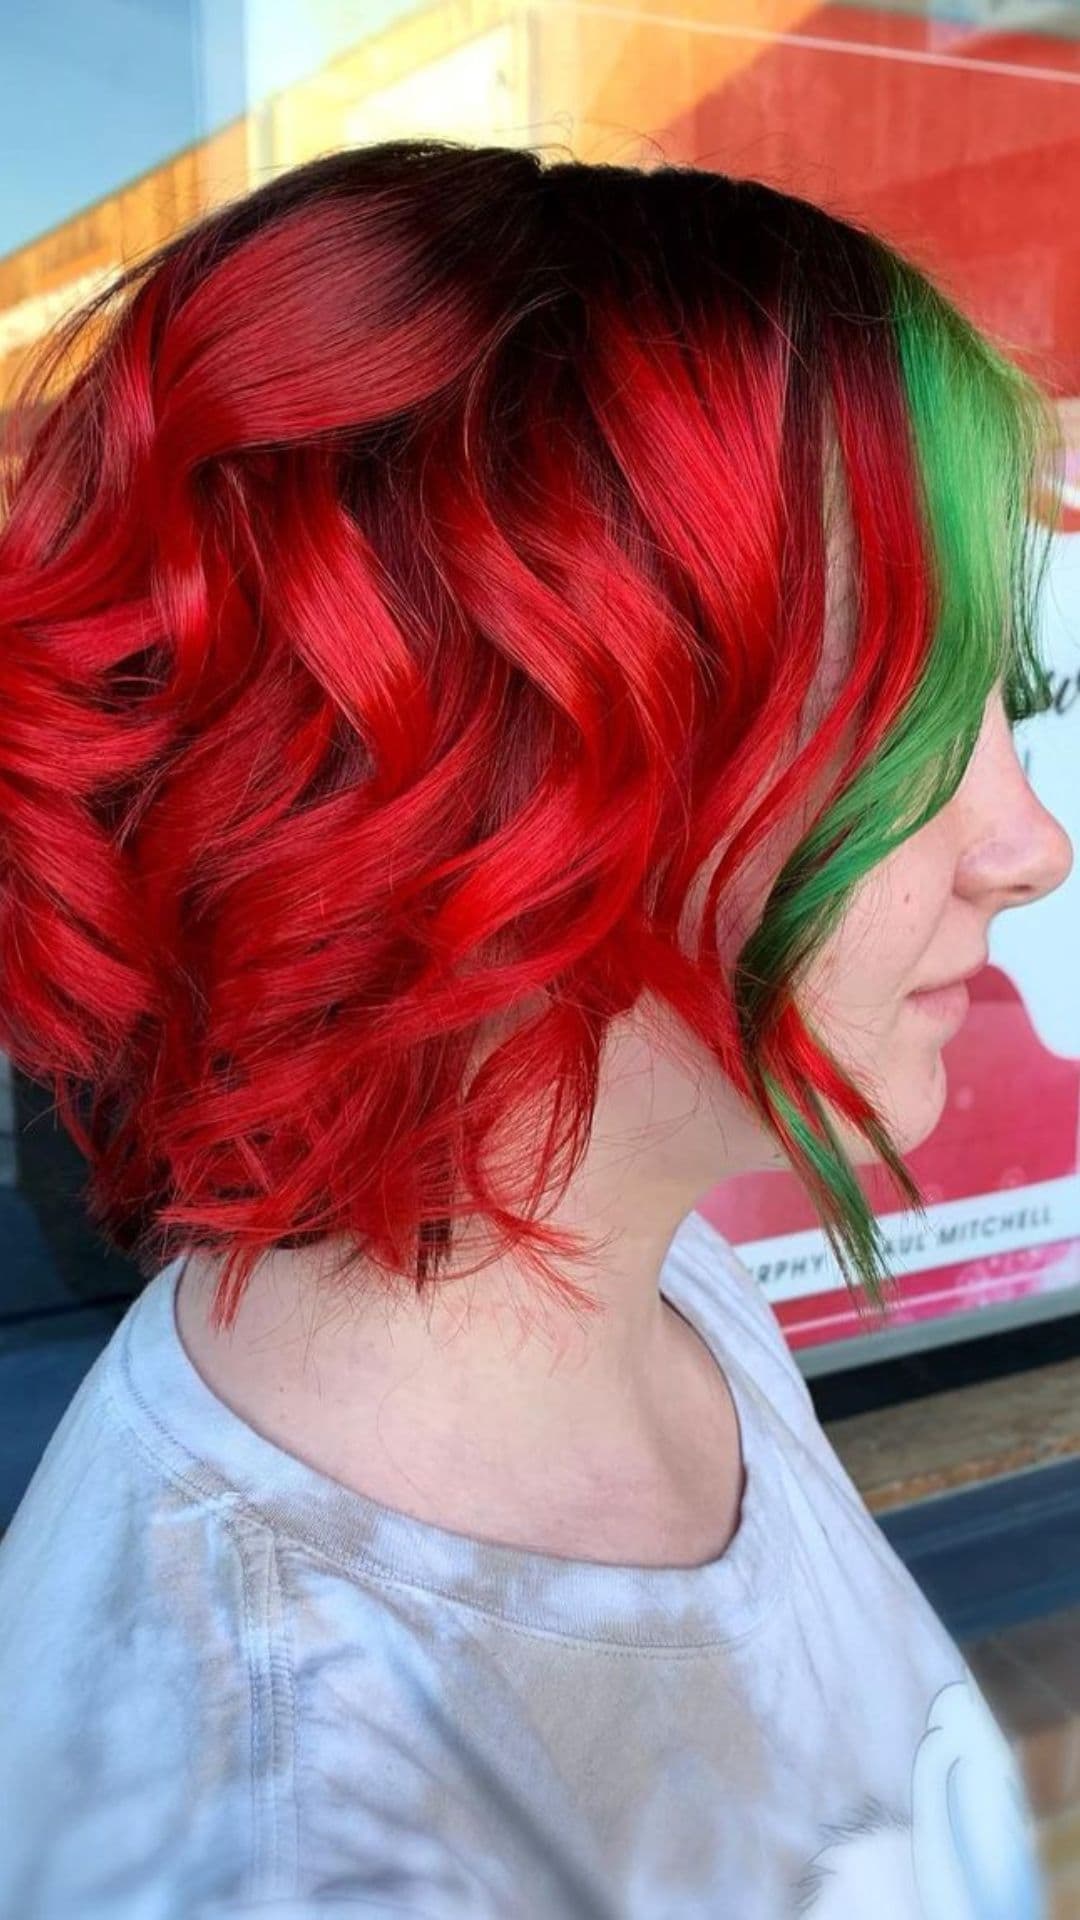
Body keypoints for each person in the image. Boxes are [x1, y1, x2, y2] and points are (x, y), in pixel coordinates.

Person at [0, 139, 1071, 1920]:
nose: (1028, 849)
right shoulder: (283, 1836)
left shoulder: (651, 1294)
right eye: (904, 721)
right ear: (511, 802)